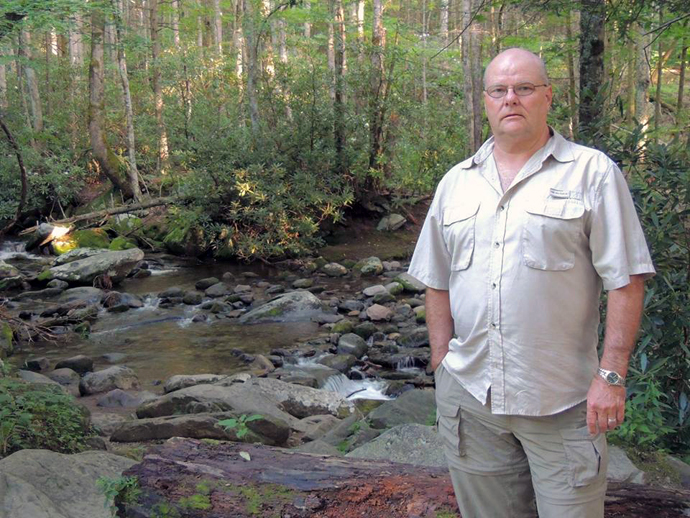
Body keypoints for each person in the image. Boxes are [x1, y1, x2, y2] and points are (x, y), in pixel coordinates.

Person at [407, 47, 655, 518]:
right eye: (499, 90)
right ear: (485, 101)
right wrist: (442, 364)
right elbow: (435, 281)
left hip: (564, 403)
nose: (510, 99)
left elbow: (626, 280)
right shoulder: (456, 183)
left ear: (547, 96)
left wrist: (611, 377)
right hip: (472, 400)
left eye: (523, 88)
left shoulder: (592, 173)